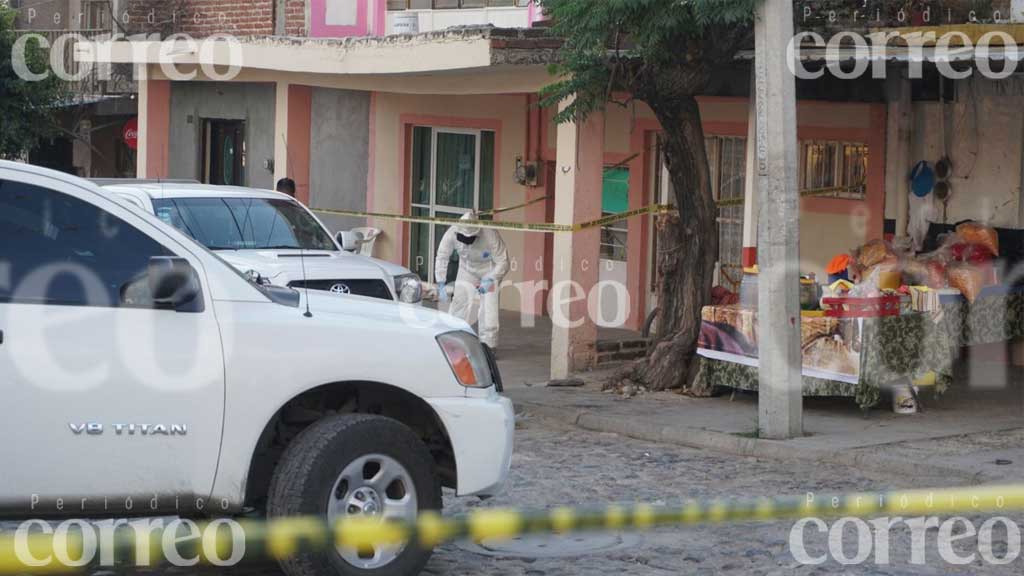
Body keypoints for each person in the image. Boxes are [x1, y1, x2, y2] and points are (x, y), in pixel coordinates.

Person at [435, 211, 508, 351]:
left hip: (489, 269)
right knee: (459, 303)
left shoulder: (490, 234)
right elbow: (442, 255)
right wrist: (440, 282)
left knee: (489, 309)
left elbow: (503, 261)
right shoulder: (452, 232)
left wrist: (491, 279)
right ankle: (454, 339)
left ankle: (488, 346)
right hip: (466, 269)